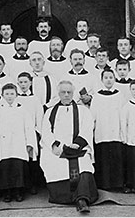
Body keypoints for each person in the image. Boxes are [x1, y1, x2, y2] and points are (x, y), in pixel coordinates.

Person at [40, 80, 98, 213]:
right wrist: (55, 145)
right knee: (54, 163)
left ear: (73, 93)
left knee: (83, 164)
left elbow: (87, 128)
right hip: (58, 150)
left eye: (69, 92)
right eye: (63, 92)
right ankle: (65, 197)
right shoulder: (50, 112)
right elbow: (46, 131)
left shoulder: (83, 110)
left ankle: (82, 199)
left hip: (78, 147)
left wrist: (77, 143)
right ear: (58, 93)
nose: (66, 95)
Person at [0, 83, 37, 202]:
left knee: (18, 167)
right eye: (7, 94)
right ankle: (7, 193)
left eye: (12, 93)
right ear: (2, 95)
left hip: (19, 144)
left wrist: (29, 143)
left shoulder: (22, 110)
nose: (9, 96)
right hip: (4, 145)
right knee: (5, 168)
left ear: (16, 95)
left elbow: (28, 127)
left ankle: (18, 192)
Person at [90, 69, 126, 191]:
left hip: (115, 132)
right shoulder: (97, 96)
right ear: (102, 80)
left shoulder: (120, 95)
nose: (108, 80)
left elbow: (123, 115)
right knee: (103, 158)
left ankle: (117, 184)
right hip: (102, 131)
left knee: (116, 158)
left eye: (111, 77)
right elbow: (93, 115)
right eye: (106, 78)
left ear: (114, 79)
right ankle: (104, 184)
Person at [16, 72, 45, 195]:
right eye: (21, 82)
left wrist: (37, 132)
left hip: (32, 132)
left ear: (30, 83)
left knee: (32, 159)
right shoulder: (15, 99)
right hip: (18, 134)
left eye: (25, 82)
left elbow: (39, 116)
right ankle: (22, 186)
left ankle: (33, 184)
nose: (23, 85)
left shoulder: (35, 99)